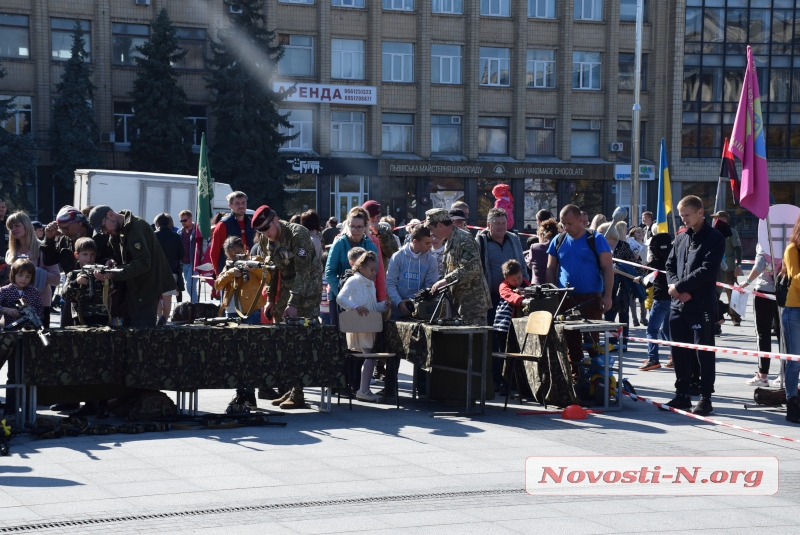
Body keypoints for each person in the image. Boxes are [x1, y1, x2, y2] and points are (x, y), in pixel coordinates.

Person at [253, 204, 322, 410]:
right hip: (288, 286)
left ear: (275, 220)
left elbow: (303, 272)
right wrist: (270, 299)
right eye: (260, 231)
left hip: (308, 288)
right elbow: (272, 271)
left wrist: (293, 303)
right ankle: (290, 389)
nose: (265, 233)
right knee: (282, 338)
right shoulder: (267, 240)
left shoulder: (297, 234)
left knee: (298, 338)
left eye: (266, 228)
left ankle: (298, 394)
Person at [664, 195, 724, 415]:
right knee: (679, 352)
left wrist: (680, 287)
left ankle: (706, 397)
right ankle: (682, 394)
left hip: (701, 307)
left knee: (704, 353)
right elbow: (669, 264)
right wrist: (675, 288)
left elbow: (707, 270)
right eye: (681, 216)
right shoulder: (681, 238)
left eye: (687, 215)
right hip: (678, 306)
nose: (684, 220)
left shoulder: (715, 238)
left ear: (700, 212)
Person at [427, 208, 493, 403]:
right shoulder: (450, 241)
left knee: (475, 351)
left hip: (473, 303)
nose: (431, 233)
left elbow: (470, 269)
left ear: (440, 225)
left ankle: (475, 396)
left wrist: (445, 281)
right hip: (459, 303)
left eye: (432, 228)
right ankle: (461, 394)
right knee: (461, 350)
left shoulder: (463, 238)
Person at [546, 205, 614, 372]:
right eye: (563, 224)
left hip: (592, 299)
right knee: (572, 345)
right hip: (566, 299)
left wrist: (608, 296)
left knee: (593, 345)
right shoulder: (558, 240)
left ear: (580, 220)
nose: (566, 227)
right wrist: (552, 295)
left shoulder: (595, 239)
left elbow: (607, 268)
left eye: (569, 223)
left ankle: (597, 380)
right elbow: (550, 269)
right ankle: (577, 380)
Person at [88, 205, 176, 326]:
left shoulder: (136, 227)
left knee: (141, 337)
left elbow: (143, 262)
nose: (105, 232)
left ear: (110, 215)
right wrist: (110, 262)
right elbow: (117, 256)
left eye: (103, 227)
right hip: (131, 292)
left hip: (145, 291)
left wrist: (113, 273)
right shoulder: (117, 231)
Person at [475, 208, 529, 391]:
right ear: (488, 225)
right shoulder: (481, 241)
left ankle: (512, 380)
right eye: (497, 223)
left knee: (512, 340)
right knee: (494, 340)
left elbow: (522, 264)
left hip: (515, 300)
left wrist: (526, 287)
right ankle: (496, 379)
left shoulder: (513, 239)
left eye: (503, 223)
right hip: (491, 299)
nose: (500, 227)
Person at [214, 235, 268, 408]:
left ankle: (250, 395)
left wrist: (251, 269)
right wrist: (231, 273)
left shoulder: (255, 260)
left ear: (243, 248)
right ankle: (240, 394)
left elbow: (267, 277)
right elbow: (218, 285)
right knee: (236, 355)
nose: (234, 258)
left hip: (250, 310)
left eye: (237, 254)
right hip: (232, 312)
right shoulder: (229, 265)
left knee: (250, 354)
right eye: (231, 255)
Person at [336, 250, 389, 402]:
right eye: (371, 270)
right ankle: (363, 391)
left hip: (369, 325)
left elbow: (371, 308)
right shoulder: (354, 281)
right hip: (359, 325)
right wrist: (355, 307)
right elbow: (341, 298)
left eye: (375, 270)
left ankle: (363, 389)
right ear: (361, 268)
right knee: (370, 357)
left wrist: (384, 305)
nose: (374, 273)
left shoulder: (371, 284)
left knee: (369, 357)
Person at [0, 258, 43, 419]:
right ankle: (10, 407)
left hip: (28, 337)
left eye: (28, 276)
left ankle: (27, 408)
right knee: (13, 373)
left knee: (28, 372)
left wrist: (31, 314)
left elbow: (40, 311)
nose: (24, 279)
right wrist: (7, 310)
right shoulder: (4, 291)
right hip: (10, 337)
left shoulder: (33, 292)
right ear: (13, 275)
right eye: (20, 275)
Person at [325, 207, 384, 324]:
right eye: (352, 226)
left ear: (365, 227)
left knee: (362, 334)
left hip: (364, 300)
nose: (355, 230)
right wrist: (344, 293)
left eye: (359, 227)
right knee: (340, 337)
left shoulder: (371, 246)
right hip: (339, 297)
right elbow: (329, 272)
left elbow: (375, 272)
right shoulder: (339, 243)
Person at [6, 212, 61, 328]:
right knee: (14, 344)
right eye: (10, 227)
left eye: (17, 225)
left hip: (39, 306)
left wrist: (31, 271)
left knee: (38, 344)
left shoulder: (44, 248)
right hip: (13, 307)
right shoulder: (10, 253)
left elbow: (56, 279)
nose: (13, 229)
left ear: (27, 225)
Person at [741, 243, 782, 387]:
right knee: (783, 334)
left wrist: (746, 283)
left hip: (764, 290)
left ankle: (763, 375)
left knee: (763, 333)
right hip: (785, 291)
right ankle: (783, 373)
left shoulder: (765, 241)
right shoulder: (791, 238)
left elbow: (759, 266)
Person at [636, 233, 673, 371]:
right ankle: (675, 356)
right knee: (667, 329)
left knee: (652, 329)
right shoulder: (674, 259)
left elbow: (647, 281)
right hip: (672, 299)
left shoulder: (656, 262)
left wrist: (639, 280)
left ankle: (653, 359)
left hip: (661, 299)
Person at [386, 224, 438, 318]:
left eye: (431, 242)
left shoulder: (431, 261)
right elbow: (390, 284)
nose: (430, 246)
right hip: (397, 312)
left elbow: (429, 287)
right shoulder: (397, 257)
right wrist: (399, 303)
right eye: (427, 243)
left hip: (421, 312)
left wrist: (416, 304)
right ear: (415, 242)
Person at [62, 238, 114, 327]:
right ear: (76, 255)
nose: (89, 258)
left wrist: (105, 279)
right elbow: (65, 296)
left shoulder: (100, 272)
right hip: (80, 318)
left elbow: (112, 289)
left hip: (101, 316)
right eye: (85, 254)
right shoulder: (73, 274)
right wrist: (76, 283)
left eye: (92, 254)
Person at [782, 214, 800, 423]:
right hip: (795, 309)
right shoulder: (792, 249)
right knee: (794, 360)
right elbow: (796, 280)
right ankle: (792, 402)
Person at [210, 191, 254, 277]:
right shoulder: (223, 225)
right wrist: (219, 274)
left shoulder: (251, 224)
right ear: (230, 206)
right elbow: (214, 252)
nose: (241, 206)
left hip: (249, 270)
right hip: (229, 272)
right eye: (237, 203)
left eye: (243, 203)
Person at [711, 211, 743, 327]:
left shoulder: (731, 232)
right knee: (714, 293)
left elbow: (738, 249)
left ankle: (735, 317)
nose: (715, 220)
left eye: (718, 218)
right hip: (715, 267)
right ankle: (717, 314)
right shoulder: (713, 231)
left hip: (728, 267)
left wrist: (738, 265)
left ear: (724, 219)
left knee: (733, 293)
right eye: (715, 218)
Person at [493, 259, 530, 352]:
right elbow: (509, 295)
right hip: (503, 327)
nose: (517, 282)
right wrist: (521, 300)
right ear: (506, 278)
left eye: (519, 278)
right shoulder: (504, 286)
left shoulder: (526, 284)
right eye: (513, 280)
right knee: (505, 351)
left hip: (520, 326)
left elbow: (532, 292)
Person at [154, 213, 184, 325]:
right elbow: (182, 254)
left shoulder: (153, 235)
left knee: (156, 297)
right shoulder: (176, 236)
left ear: (157, 223)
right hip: (172, 270)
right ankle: (165, 322)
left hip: (156, 271)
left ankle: (159, 317)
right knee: (167, 298)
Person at [362, 200, 398, 271]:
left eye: (378, 217)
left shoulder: (385, 230)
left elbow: (393, 254)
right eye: (372, 218)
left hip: (380, 272)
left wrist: (379, 234)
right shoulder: (359, 231)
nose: (376, 221)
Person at [177, 210, 203, 303]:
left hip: (194, 262)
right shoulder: (180, 232)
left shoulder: (197, 230)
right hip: (184, 263)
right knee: (189, 286)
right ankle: (194, 305)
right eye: (181, 221)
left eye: (185, 220)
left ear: (190, 218)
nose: (183, 223)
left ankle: (195, 306)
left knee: (190, 286)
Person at [527, 218, 558, 285]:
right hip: (556, 288)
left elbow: (529, 265)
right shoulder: (559, 247)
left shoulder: (534, 247)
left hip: (537, 288)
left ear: (542, 235)